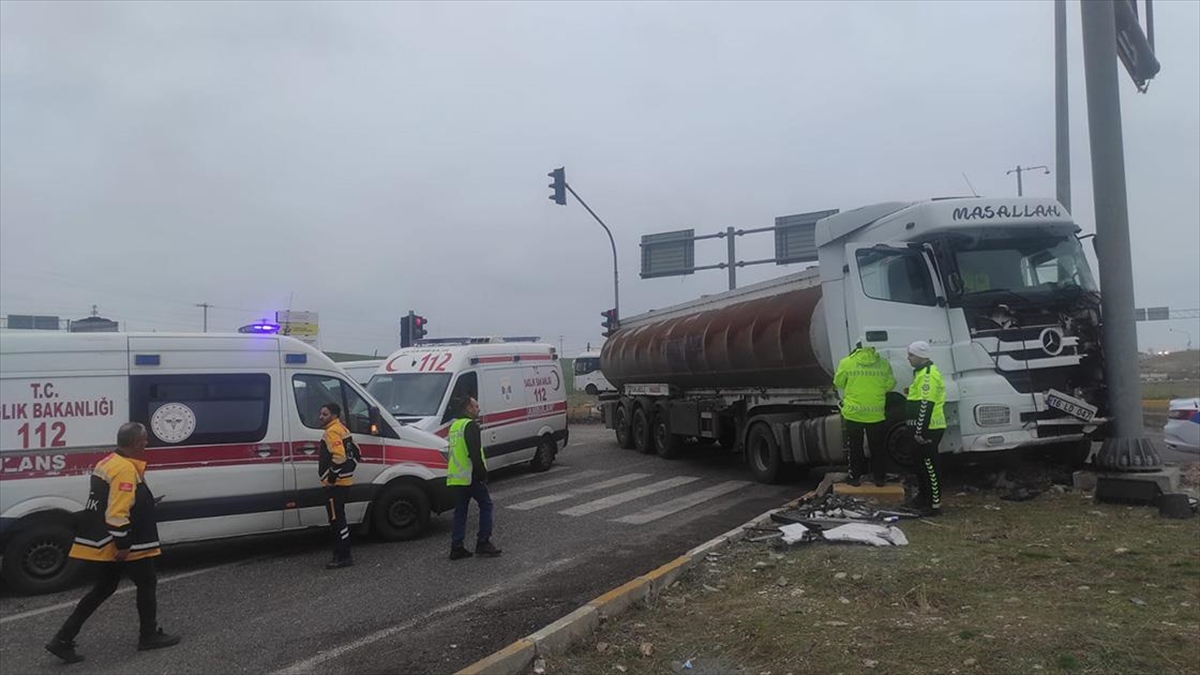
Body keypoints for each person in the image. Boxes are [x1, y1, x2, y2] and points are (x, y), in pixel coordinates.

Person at [45, 422, 181, 664]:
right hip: (126, 543)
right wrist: (123, 543)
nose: (147, 444)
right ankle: (148, 636)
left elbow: (106, 501)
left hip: (106, 539)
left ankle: (62, 639)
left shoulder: (106, 462)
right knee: (147, 582)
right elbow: (117, 511)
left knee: (103, 588)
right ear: (136, 443)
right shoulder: (125, 469)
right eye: (145, 440)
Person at [833, 338, 896, 487]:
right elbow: (891, 384)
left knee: (855, 447)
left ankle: (855, 478)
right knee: (877, 447)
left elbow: (838, 383)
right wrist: (876, 391)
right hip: (875, 413)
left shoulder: (846, 362)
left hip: (854, 413)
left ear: (857, 348)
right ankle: (879, 479)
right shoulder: (883, 363)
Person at [447, 396, 502, 560]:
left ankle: (456, 547)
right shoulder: (470, 426)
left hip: (456, 477)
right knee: (486, 505)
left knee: (460, 512)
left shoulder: (454, 426)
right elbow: (475, 453)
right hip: (470, 476)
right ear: (469, 409)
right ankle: (483, 542)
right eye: (476, 406)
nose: (479, 409)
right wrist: (482, 474)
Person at [906, 341, 946, 516]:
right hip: (920, 428)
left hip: (930, 428)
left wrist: (920, 432)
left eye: (911, 355)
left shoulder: (928, 375)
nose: (908, 358)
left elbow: (926, 405)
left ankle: (934, 504)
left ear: (920, 356)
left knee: (930, 466)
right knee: (919, 465)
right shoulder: (920, 373)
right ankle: (923, 498)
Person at [318, 402, 360, 569]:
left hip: (336, 486)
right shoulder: (343, 429)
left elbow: (340, 456)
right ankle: (341, 553)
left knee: (337, 521)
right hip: (345, 482)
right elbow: (357, 452)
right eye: (320, 413)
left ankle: (343, 556)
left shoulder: (332, 432)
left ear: (334, 416)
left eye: (325, 414)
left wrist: (331, 479)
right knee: (339, 518)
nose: (320, 417)